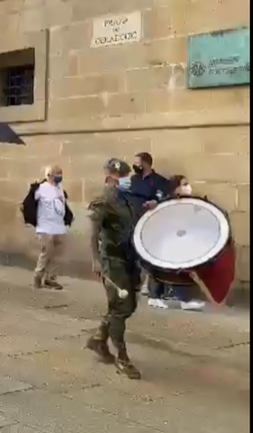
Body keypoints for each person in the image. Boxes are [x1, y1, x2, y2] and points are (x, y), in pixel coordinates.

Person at [85, 158, 141, 380]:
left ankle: (99, 338)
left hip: (128, 258)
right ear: (108, 177)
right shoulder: (102, 200)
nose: (124, 181)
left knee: (129, 305)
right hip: (111, 260)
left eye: (126, 176)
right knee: (120, 306)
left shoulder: (125, 199)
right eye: (120, 177)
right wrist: (95, 260)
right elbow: (93, 232)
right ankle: (122, 357)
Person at [146, 174, 206, 311]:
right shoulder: (167, 203)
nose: (188, 187)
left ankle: (172, 298)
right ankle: (160, 297)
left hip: (179, 241)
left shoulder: (188, 202)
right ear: (176, 188)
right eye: (184, 184)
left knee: (176, 270)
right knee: (167, 269)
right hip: (167, 241)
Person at [22, 165, 74, 290]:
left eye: (61, 173)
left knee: (57, 254)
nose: (59, 175)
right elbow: (28, 203)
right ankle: (37, 277)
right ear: (49, 175)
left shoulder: (60, 188)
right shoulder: (41, 188)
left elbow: (62, 205)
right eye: (57, 173)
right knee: (46, 253)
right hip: (45, 227)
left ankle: (50, 278)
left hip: (59, 227)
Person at [130, 152, 171, 296]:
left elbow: (168, 199)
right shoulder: (133, 180)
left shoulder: (159, 181)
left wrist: (156, 203)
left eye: (137, 162)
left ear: (146, 163)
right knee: (132, 253)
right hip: (132, 220)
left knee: (147, 253)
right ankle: (133, 283)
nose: (135, 166)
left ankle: (148, 284)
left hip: (150, 223)